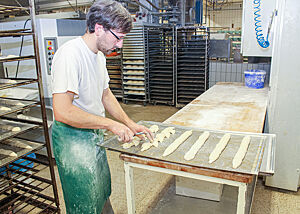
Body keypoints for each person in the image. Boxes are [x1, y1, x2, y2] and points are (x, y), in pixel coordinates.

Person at [51, 0, 153, 213]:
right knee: (84, 199)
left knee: (101, 191)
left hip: (93, 135)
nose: (120, 45)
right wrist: (110, 125)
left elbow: (105, 95)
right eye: (119, 37)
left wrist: (129, 123)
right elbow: (63, 111)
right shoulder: (70, 55)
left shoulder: (98, 56)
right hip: (73, 139)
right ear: (99, 28)